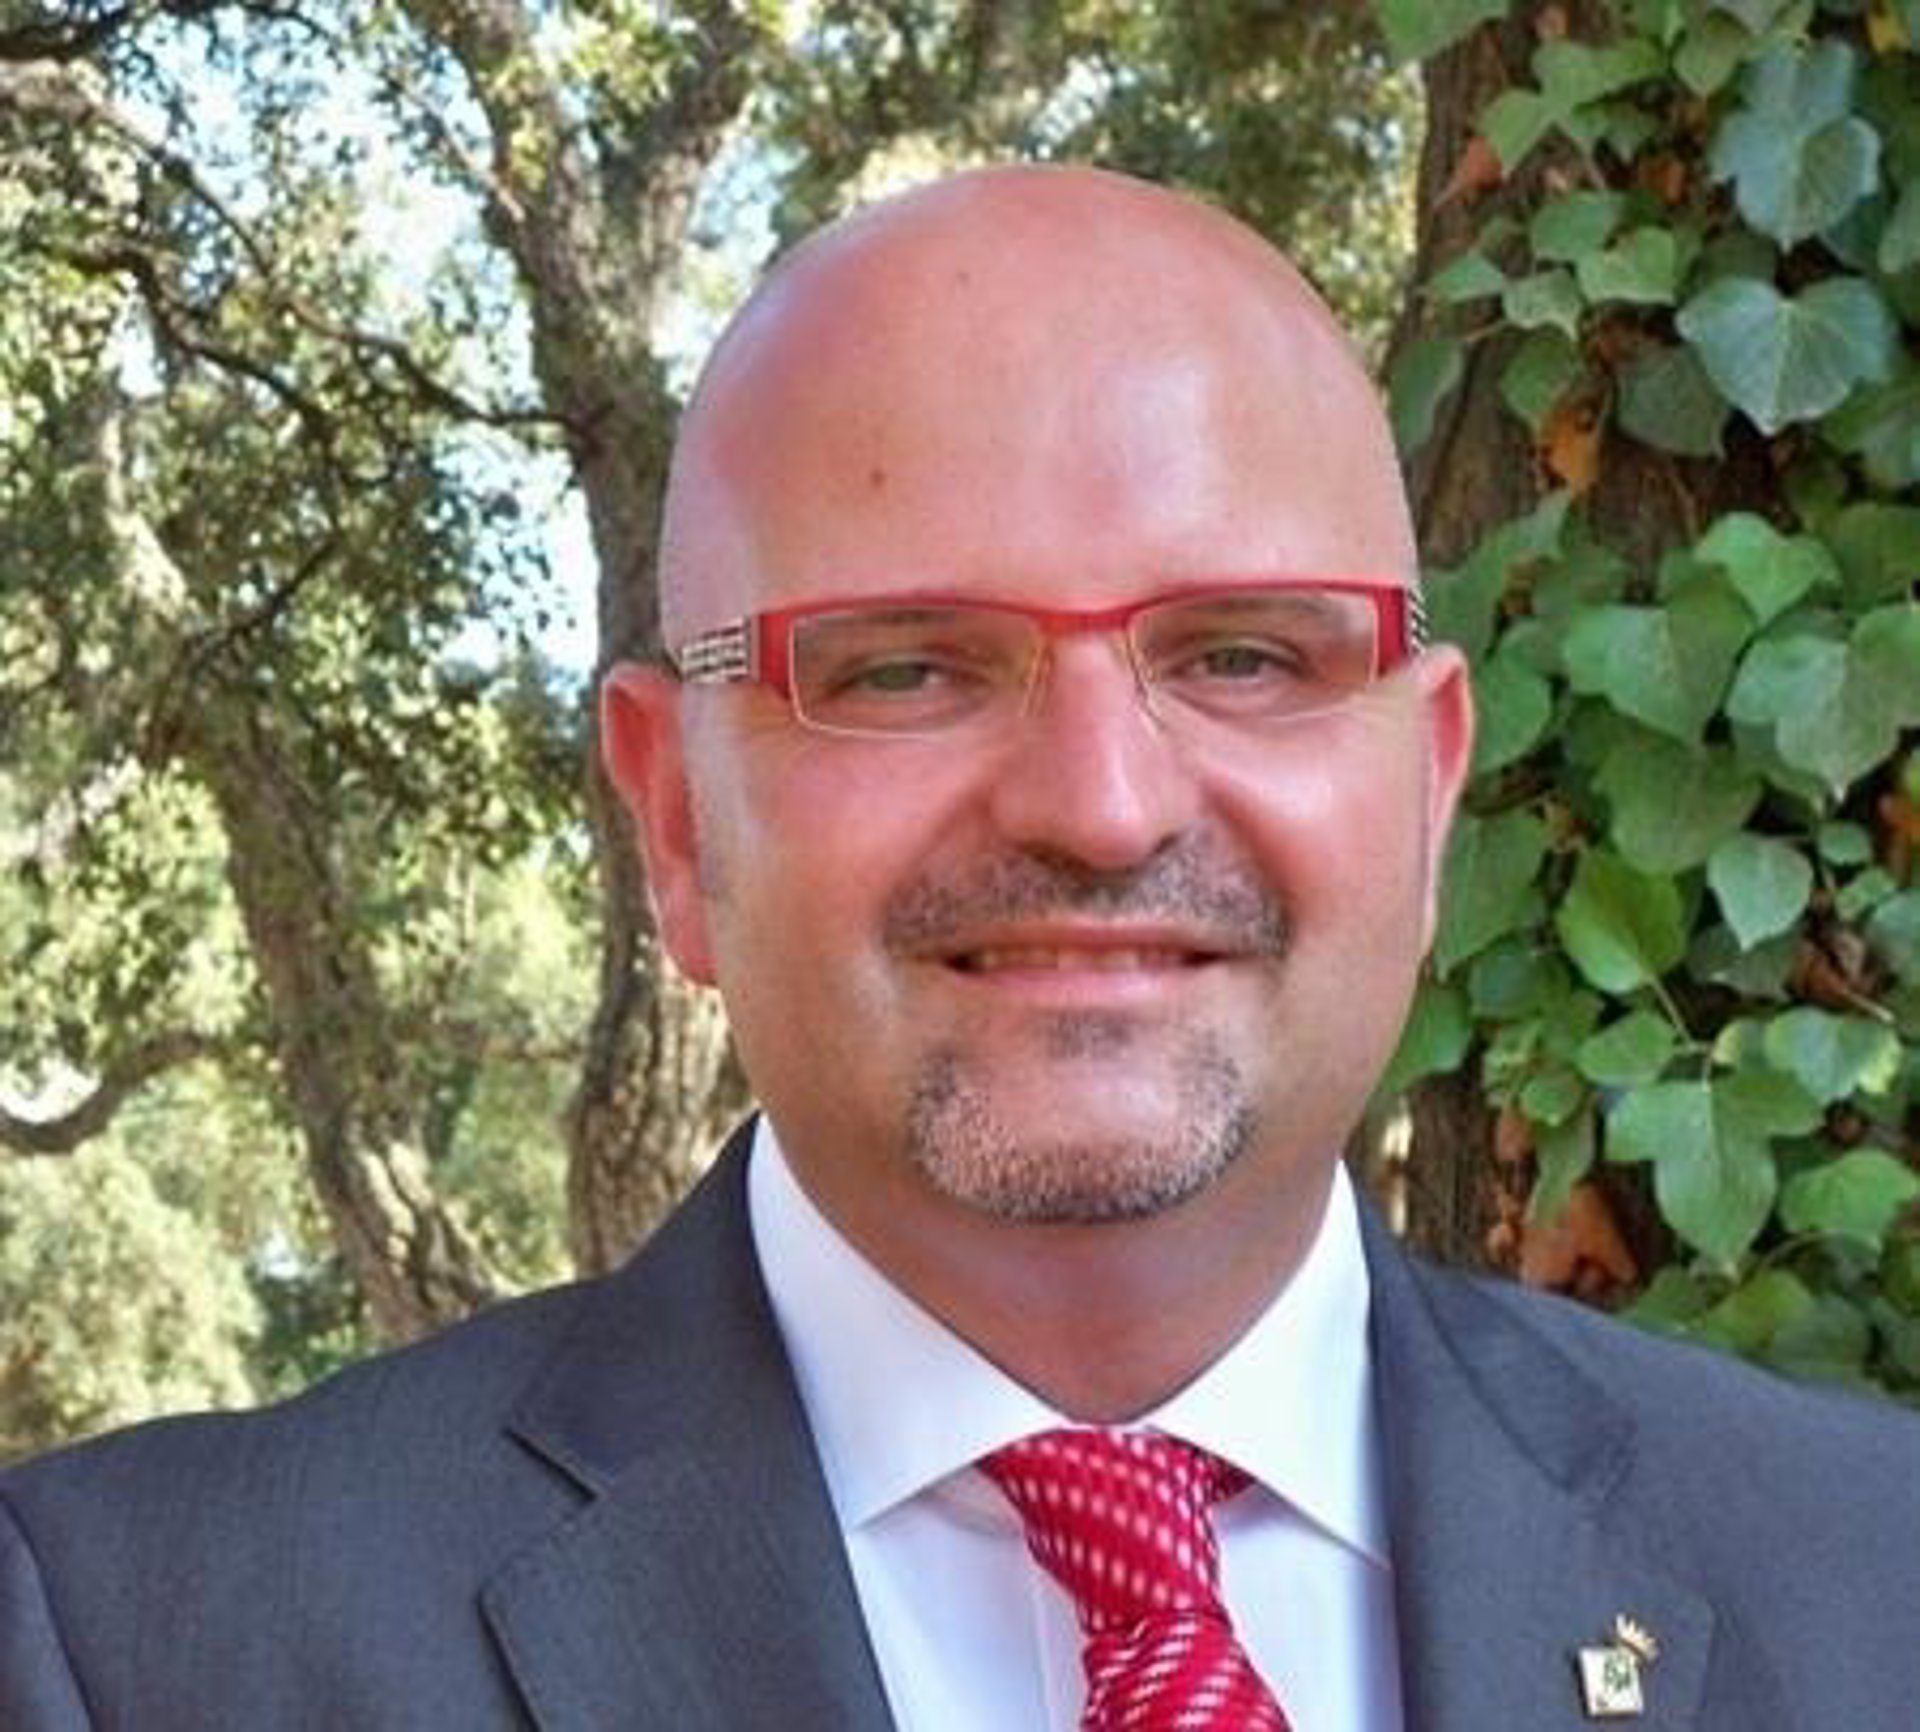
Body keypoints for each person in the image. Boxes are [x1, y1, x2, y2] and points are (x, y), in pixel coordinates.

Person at [2, 165, 1915, 1732]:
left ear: (1426, 795)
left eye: (1245, 654)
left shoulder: (1876, 1584)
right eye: (907, 668)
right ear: (676, 822)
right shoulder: (135, 1647)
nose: (1100, 805)